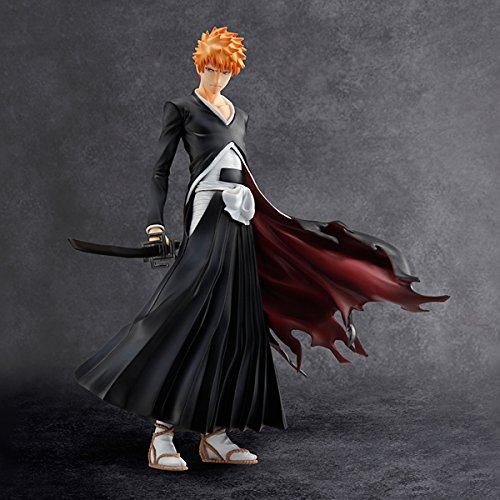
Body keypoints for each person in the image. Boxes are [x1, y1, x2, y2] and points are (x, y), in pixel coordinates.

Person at [75, 26, 450, 472]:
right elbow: (161, 171)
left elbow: (243, 175)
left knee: (237, 321)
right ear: (199, 64)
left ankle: (215, 435)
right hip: (207, 218)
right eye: (211, 69)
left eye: (225, 72)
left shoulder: (241, 116)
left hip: (241, 223)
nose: (217, 78)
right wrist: (155, 223)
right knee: (187, 313)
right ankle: (163, 434)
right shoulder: (182, 108)